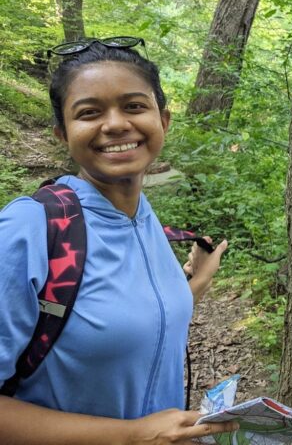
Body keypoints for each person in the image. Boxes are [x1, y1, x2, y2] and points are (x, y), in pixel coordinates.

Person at [0, 37, 237, 443]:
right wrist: (131, 435)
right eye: (89, 112)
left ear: (163, 121)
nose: (114, 124)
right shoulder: (31, 228)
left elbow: (117, 324)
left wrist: (194, 286)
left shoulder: (142, 217)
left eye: (133, 106)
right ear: (62, 133)